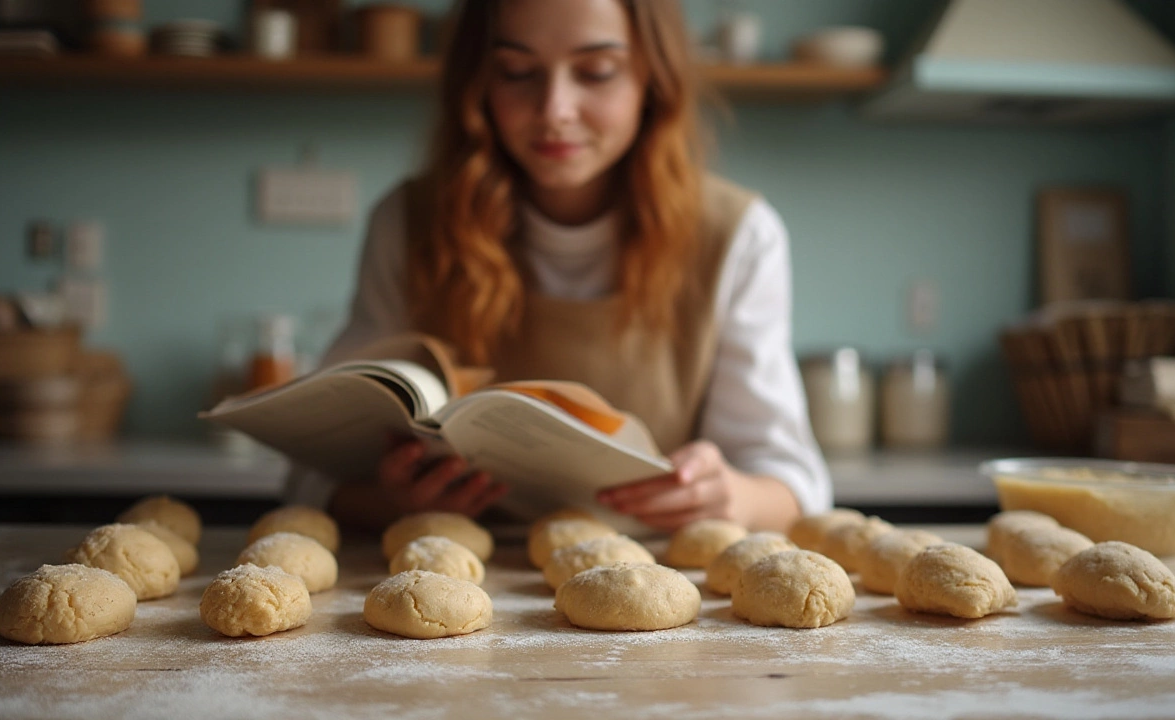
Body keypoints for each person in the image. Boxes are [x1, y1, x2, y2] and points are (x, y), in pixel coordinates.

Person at [287, 0, 831, 533]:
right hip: (454, 571)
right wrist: (391, 501)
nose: (554, 110)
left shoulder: (737, 236)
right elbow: (310, 474)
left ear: (653, 80)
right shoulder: (409, 224)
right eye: (517, 72)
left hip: (655, 585)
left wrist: (729, 496)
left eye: (596, 72)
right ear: (477, 84)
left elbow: (791, 485)